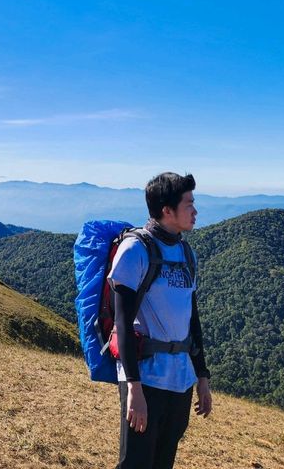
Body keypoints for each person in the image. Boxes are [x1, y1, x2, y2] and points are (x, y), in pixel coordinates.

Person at [107, 172, 212, 469]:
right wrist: (133, 389)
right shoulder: (135, 250)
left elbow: (193, 320)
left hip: (180, 380)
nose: (195, 211)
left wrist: (202, 377)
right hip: (146, 380)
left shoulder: (185, 252)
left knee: (163, 462)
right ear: (167, 210)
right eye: (189, 204)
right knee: (136, 463)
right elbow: (123, 323)